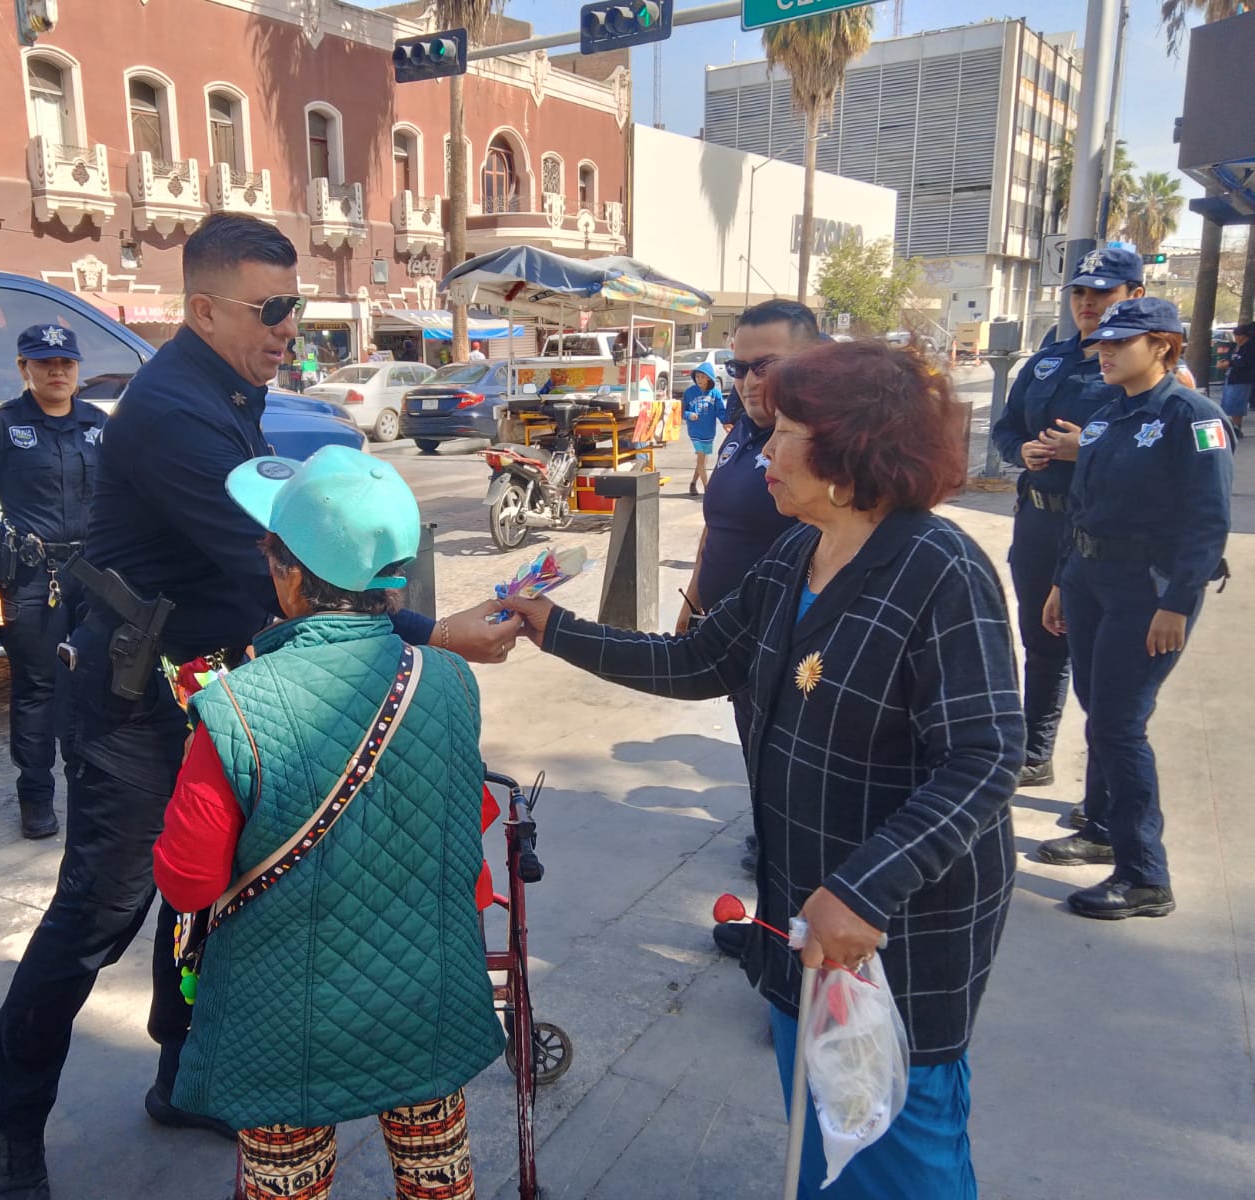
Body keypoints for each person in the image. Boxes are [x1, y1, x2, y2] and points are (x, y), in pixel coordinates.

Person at [0, 213, 522, 1200]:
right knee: (100, 909)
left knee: (217, 892)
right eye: (271, 310)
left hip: (207, 683)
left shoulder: (226, 390)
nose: (288, 327)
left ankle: (181, 1077)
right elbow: (277, 571)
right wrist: (434, 636)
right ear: (203, 309)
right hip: (133, 697)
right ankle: (10, 1123)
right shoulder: (175, 411)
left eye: (295, 306)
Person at [508, 341, 1023, 1199]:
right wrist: (552, 627)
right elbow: (701, 660)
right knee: (824, 1123)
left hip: (898, 924)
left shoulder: (940, 569)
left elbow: (984, 756)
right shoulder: (796, 554)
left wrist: (866, 888)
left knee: (898, 1146)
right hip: (801, 906)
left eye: (784, 431)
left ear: (849, 448)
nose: (762, 451)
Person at [153, 446, 503, 1200]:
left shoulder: (235, 704)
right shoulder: (447, 679)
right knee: (437, 1178)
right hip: (423, 997)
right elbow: (463, 830)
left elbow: (186, 879)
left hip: (285, 1025)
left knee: (287, 1184)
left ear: (287, 573)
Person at [1036, 298, 1233, 920]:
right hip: (1092, 579)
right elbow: (1083, 506)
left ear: (1165, 347)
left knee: (1120, 724)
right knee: (1101, 714)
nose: (1107, 351)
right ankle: (1100, 827)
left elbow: (1209, 520)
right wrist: (1064, 581)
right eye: (1104, 344)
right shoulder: (1105, 417)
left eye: (1123, 342)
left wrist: (1178, 601)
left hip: (1148, 591)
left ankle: (1145, 874)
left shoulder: (1193, 418)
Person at [675, 301, 818, 943]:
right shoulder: (741, 429)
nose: (749, 380)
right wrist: (693, 604)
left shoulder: (820, 442)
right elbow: (717, 528)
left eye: (767, 365)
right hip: (735, 640)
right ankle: (773, 925)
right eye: (739, 367)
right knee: (765, 782)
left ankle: (794, 955)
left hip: (796, 647)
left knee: (799, 801)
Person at [990, 246, 1144, 800]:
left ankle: (1103, 802)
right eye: (1080, 292)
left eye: (1102, 293)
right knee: (1042, 640)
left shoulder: (1146, 364)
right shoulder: (1048, 360)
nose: (1088, 303)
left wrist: (1089, 448)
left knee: (1101, 663)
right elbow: (1004, 428)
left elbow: (1158, 442)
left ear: (1135, 297)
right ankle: (1035, 754)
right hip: (1039, 522)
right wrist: (1023, 449)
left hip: (1102, 534)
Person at [0, 324, 106, 840]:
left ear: (78, 368)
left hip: (92, 576)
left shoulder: (97, 424)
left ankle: (88, 787)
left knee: (93, 682)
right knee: (40, 688)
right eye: (45, 363)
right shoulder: (0, 428)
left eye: (66, 363)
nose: (57, 372)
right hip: (31, 577)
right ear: (24, 368)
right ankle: (36, 796)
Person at [680, 361, 723, 496]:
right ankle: (708, 489)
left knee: (702, 462)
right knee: (701, 458)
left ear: (709, 378)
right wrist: (689, 415)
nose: (699, 380)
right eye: (697, 377)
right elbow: (681, 411)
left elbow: (720, 410)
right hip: (695, 431)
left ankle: (693, 483)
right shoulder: (689, 392)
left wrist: (727, 422)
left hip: (709, 431)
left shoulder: (715, 394)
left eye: (703, 377)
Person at [1221, 322, 1254, 438]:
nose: (1236, 339)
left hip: (1242, 379)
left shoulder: (1249, 347)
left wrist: (1230, 363)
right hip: (1231, 377)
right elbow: (1230, 357)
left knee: (1237, 404)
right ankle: (1232, 426)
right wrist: (1225, 361)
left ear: (1243, 336)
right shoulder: (1236, 346)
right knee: (1229, 402)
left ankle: (1236, 427)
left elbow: (1246, 362)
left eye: (1237, 336)